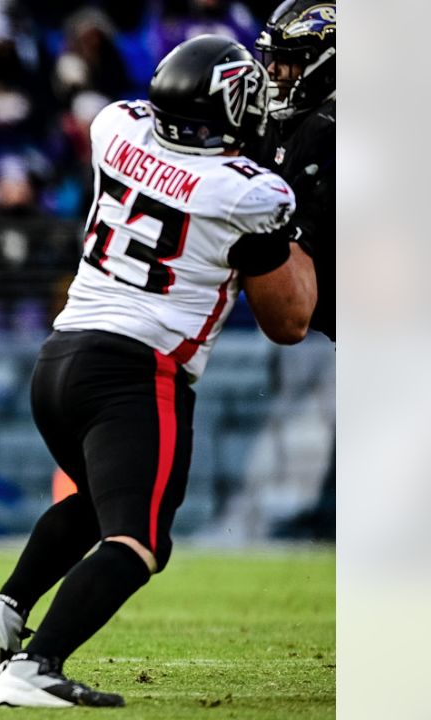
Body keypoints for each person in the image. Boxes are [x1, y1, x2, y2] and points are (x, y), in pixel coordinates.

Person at [0, 35, 316, 708]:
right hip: (136, 371)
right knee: (141, 539)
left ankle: (6, 613)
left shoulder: (115, 129)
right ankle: (34, 668)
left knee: (95, 506)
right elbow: (287, 322)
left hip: (60, 358)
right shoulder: (250, 194)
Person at [251, 0, 336, 539]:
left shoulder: (330, 132)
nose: (277, 72)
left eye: (293, 59)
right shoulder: (288, 126)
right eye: (274, 59)